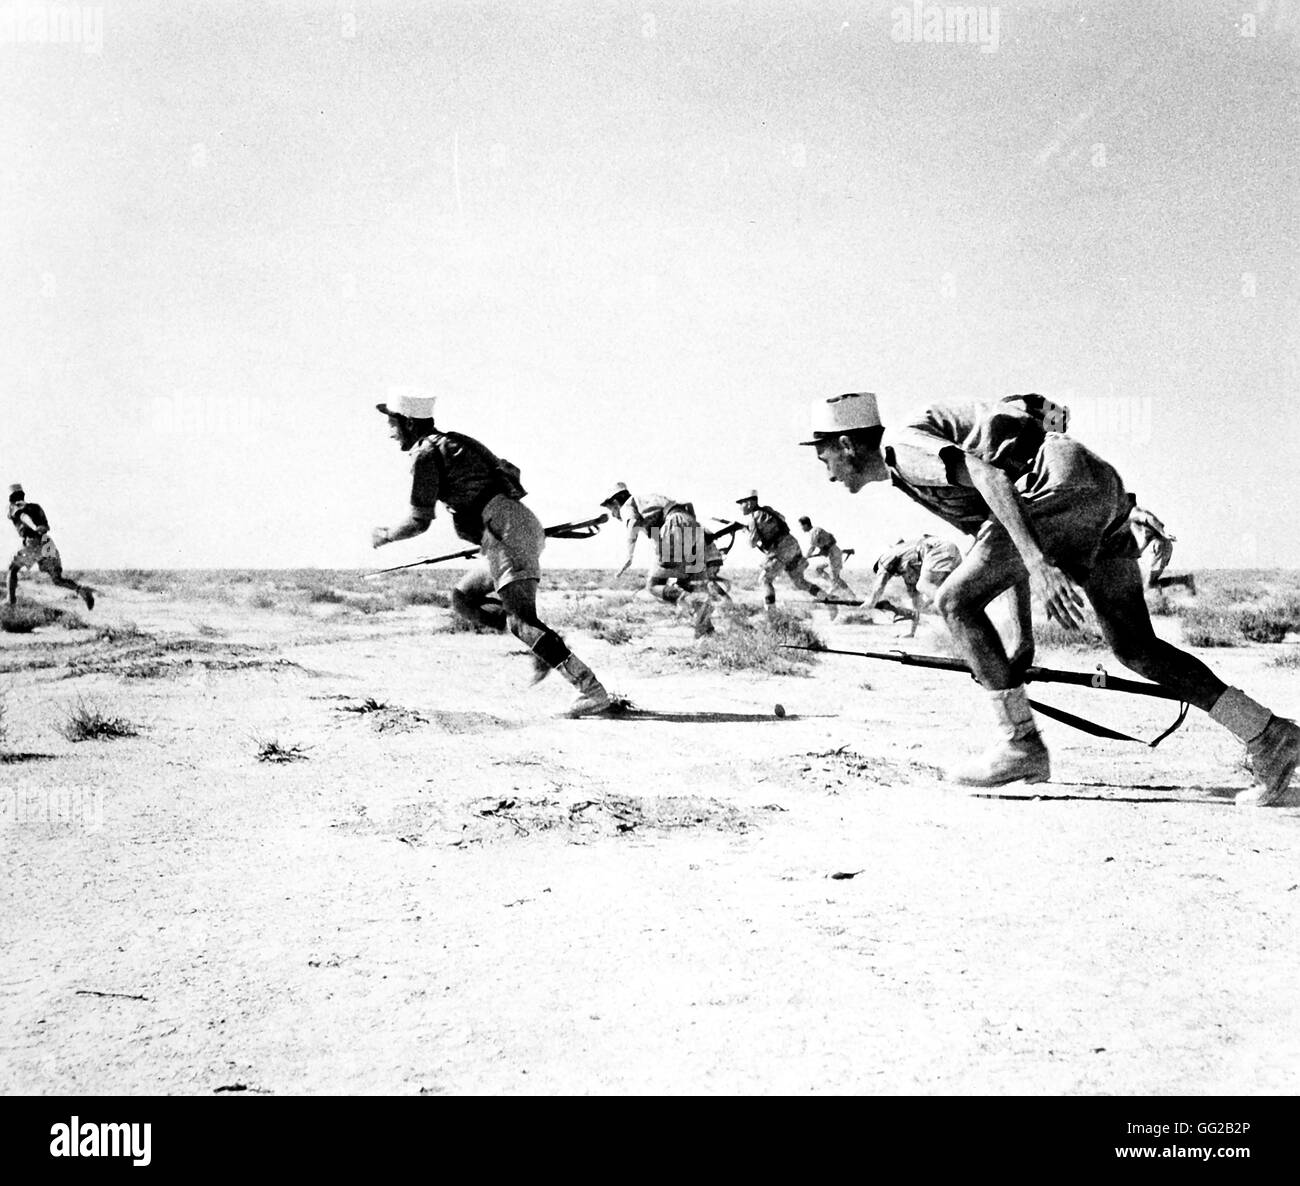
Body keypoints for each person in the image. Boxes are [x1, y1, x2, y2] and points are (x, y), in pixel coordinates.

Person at [800, 390, 1298, 805]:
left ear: (847, 444)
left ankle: (1020, 745)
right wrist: (1022, 640)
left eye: (824, 457)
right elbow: (997, 539)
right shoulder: (913, 466)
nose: (826, 472)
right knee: (1136, 647)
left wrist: (1039, 564)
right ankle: (1269, 734)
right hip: (1098, 487)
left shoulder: (902, 448)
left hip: (1059, 486)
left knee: (952, 601)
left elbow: (991, 479)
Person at [373, 394, 615, 716]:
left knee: (520, 621)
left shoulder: (426, 453)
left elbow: (419, 521)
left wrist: (386, 535)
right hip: (510, 528)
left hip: (506, 531)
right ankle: (544, 645)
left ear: (409, 422)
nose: (390, 431)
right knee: (464, 598)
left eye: (392, 423)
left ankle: (591, 691)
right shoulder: (457, 441)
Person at [601, 484, 716, 633]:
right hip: (692, 527)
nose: (613, 515)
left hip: (675, 526)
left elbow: (633, 525)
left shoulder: (628, 505)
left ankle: (695, 603)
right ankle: (706, 631)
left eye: (611, 509)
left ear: (616, 503)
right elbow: (657, 536)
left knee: (654, 585)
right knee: (691, 584)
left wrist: (628, 556)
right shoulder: (649, 503)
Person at [736, 490, 829, 610]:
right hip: (792, 544)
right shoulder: (768, 510)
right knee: (799, 581)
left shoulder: (753, 519)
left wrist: (746, 531)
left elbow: (752, 543)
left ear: (749, 503)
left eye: (741, 503)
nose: (740, 507)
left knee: (765, 579)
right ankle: (825, 597)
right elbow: (782, 519)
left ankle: (771, 614)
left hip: (780, 550)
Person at [7, 484, 95, 611]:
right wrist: (39, 527)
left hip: (33, 542)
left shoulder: (13, 507)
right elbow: (46, 527)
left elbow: (22, 516)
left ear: (11, 498)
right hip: (47, 543)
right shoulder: (36, 507)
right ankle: (81, 590)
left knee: (13, 569)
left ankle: (11, 605)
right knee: (57, 579)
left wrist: (33, 526)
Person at [864, 535, 962, 637]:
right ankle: (958, 625)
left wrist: (871, 602)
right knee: (940, 594)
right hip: (951, 550)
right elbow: (917, 606)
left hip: (936, 549)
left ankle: (955, 610)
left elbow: (879, 584)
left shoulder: (888, 556)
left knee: (924, 586)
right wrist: (912, 632)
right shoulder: (909, 565)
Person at [1129, 506, 1195, 594]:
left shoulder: (1133, 513)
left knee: (1148, 584)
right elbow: (1148, 535)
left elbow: (1150, 518)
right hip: (1162, 546)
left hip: (1159, 546)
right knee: (1150, 582)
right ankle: (1184, 580)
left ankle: (1162, 602)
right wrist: (1138, 552)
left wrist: (1163, 533)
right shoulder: (1137, 514)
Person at [798, 516, 857, 600]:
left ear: (806, 525)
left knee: (835, 578)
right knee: (818, 569)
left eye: (801, 526)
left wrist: (805, 557)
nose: (801, 528)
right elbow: (829, 540)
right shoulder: (816, 530)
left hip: (833, 554)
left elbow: (812, 548)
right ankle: (833, 585)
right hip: (831, 554)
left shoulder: (814, 532)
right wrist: (824, 550)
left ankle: (852, 596)